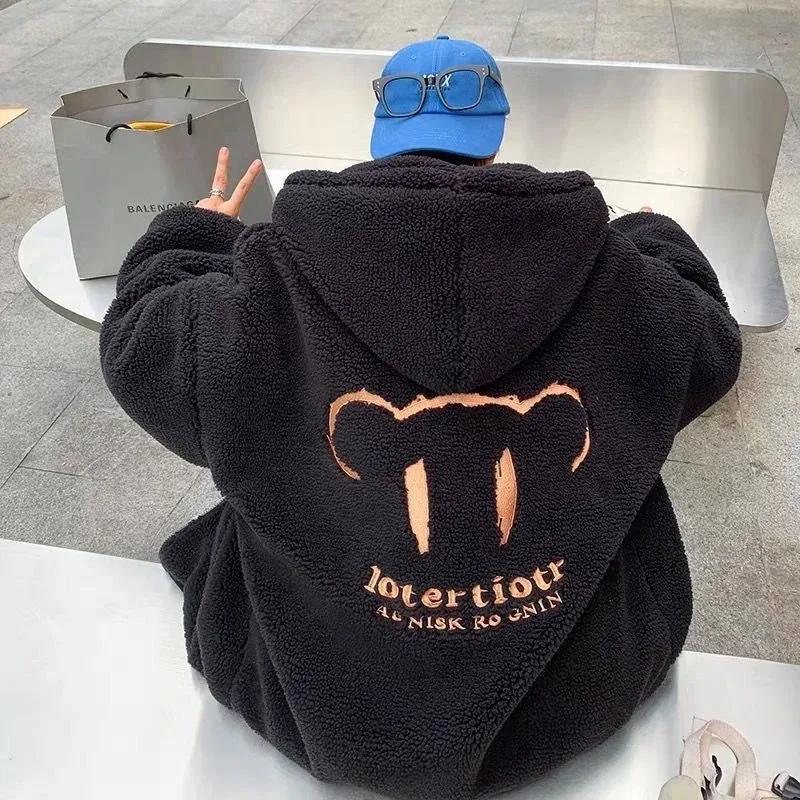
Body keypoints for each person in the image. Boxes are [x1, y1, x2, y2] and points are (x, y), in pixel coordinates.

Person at [99, 35, 741, 800]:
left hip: (305, 702)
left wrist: (196, 232)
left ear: (382, 134)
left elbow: (140, 349)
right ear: (495, 133)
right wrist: (654, 235)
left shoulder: (265, 282)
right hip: (582, 692)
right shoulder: (616, 278)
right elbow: (709, 344)